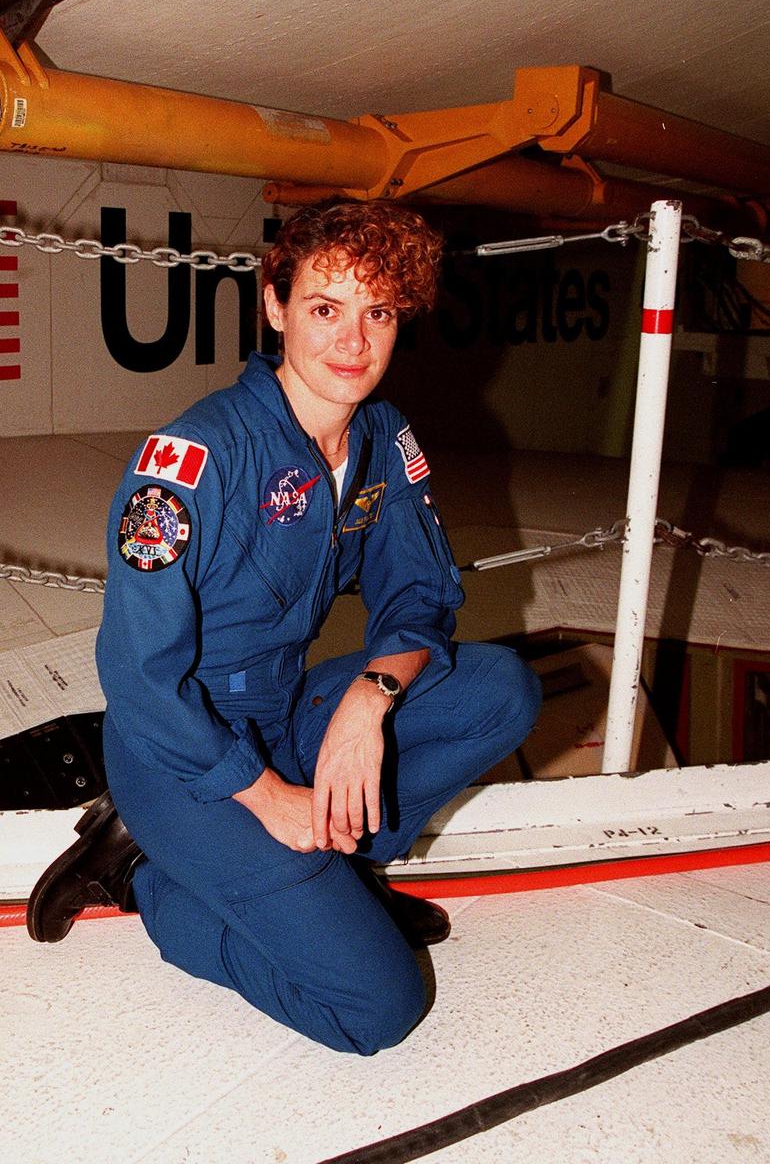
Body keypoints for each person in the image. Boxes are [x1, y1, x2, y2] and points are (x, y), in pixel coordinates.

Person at [27, 200, 541, 1055]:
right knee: (379, 1009)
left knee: (499, 691)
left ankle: (332, 872)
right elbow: (140, 682)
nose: (353, 342)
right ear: (275, 306)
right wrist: (266, 797)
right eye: (325, 309)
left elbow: (421, 598)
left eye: (376, 313)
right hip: (180, 758)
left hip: (282, 714)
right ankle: (155, 885)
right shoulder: (193, 462)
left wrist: (367, 705)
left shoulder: (380, 436)